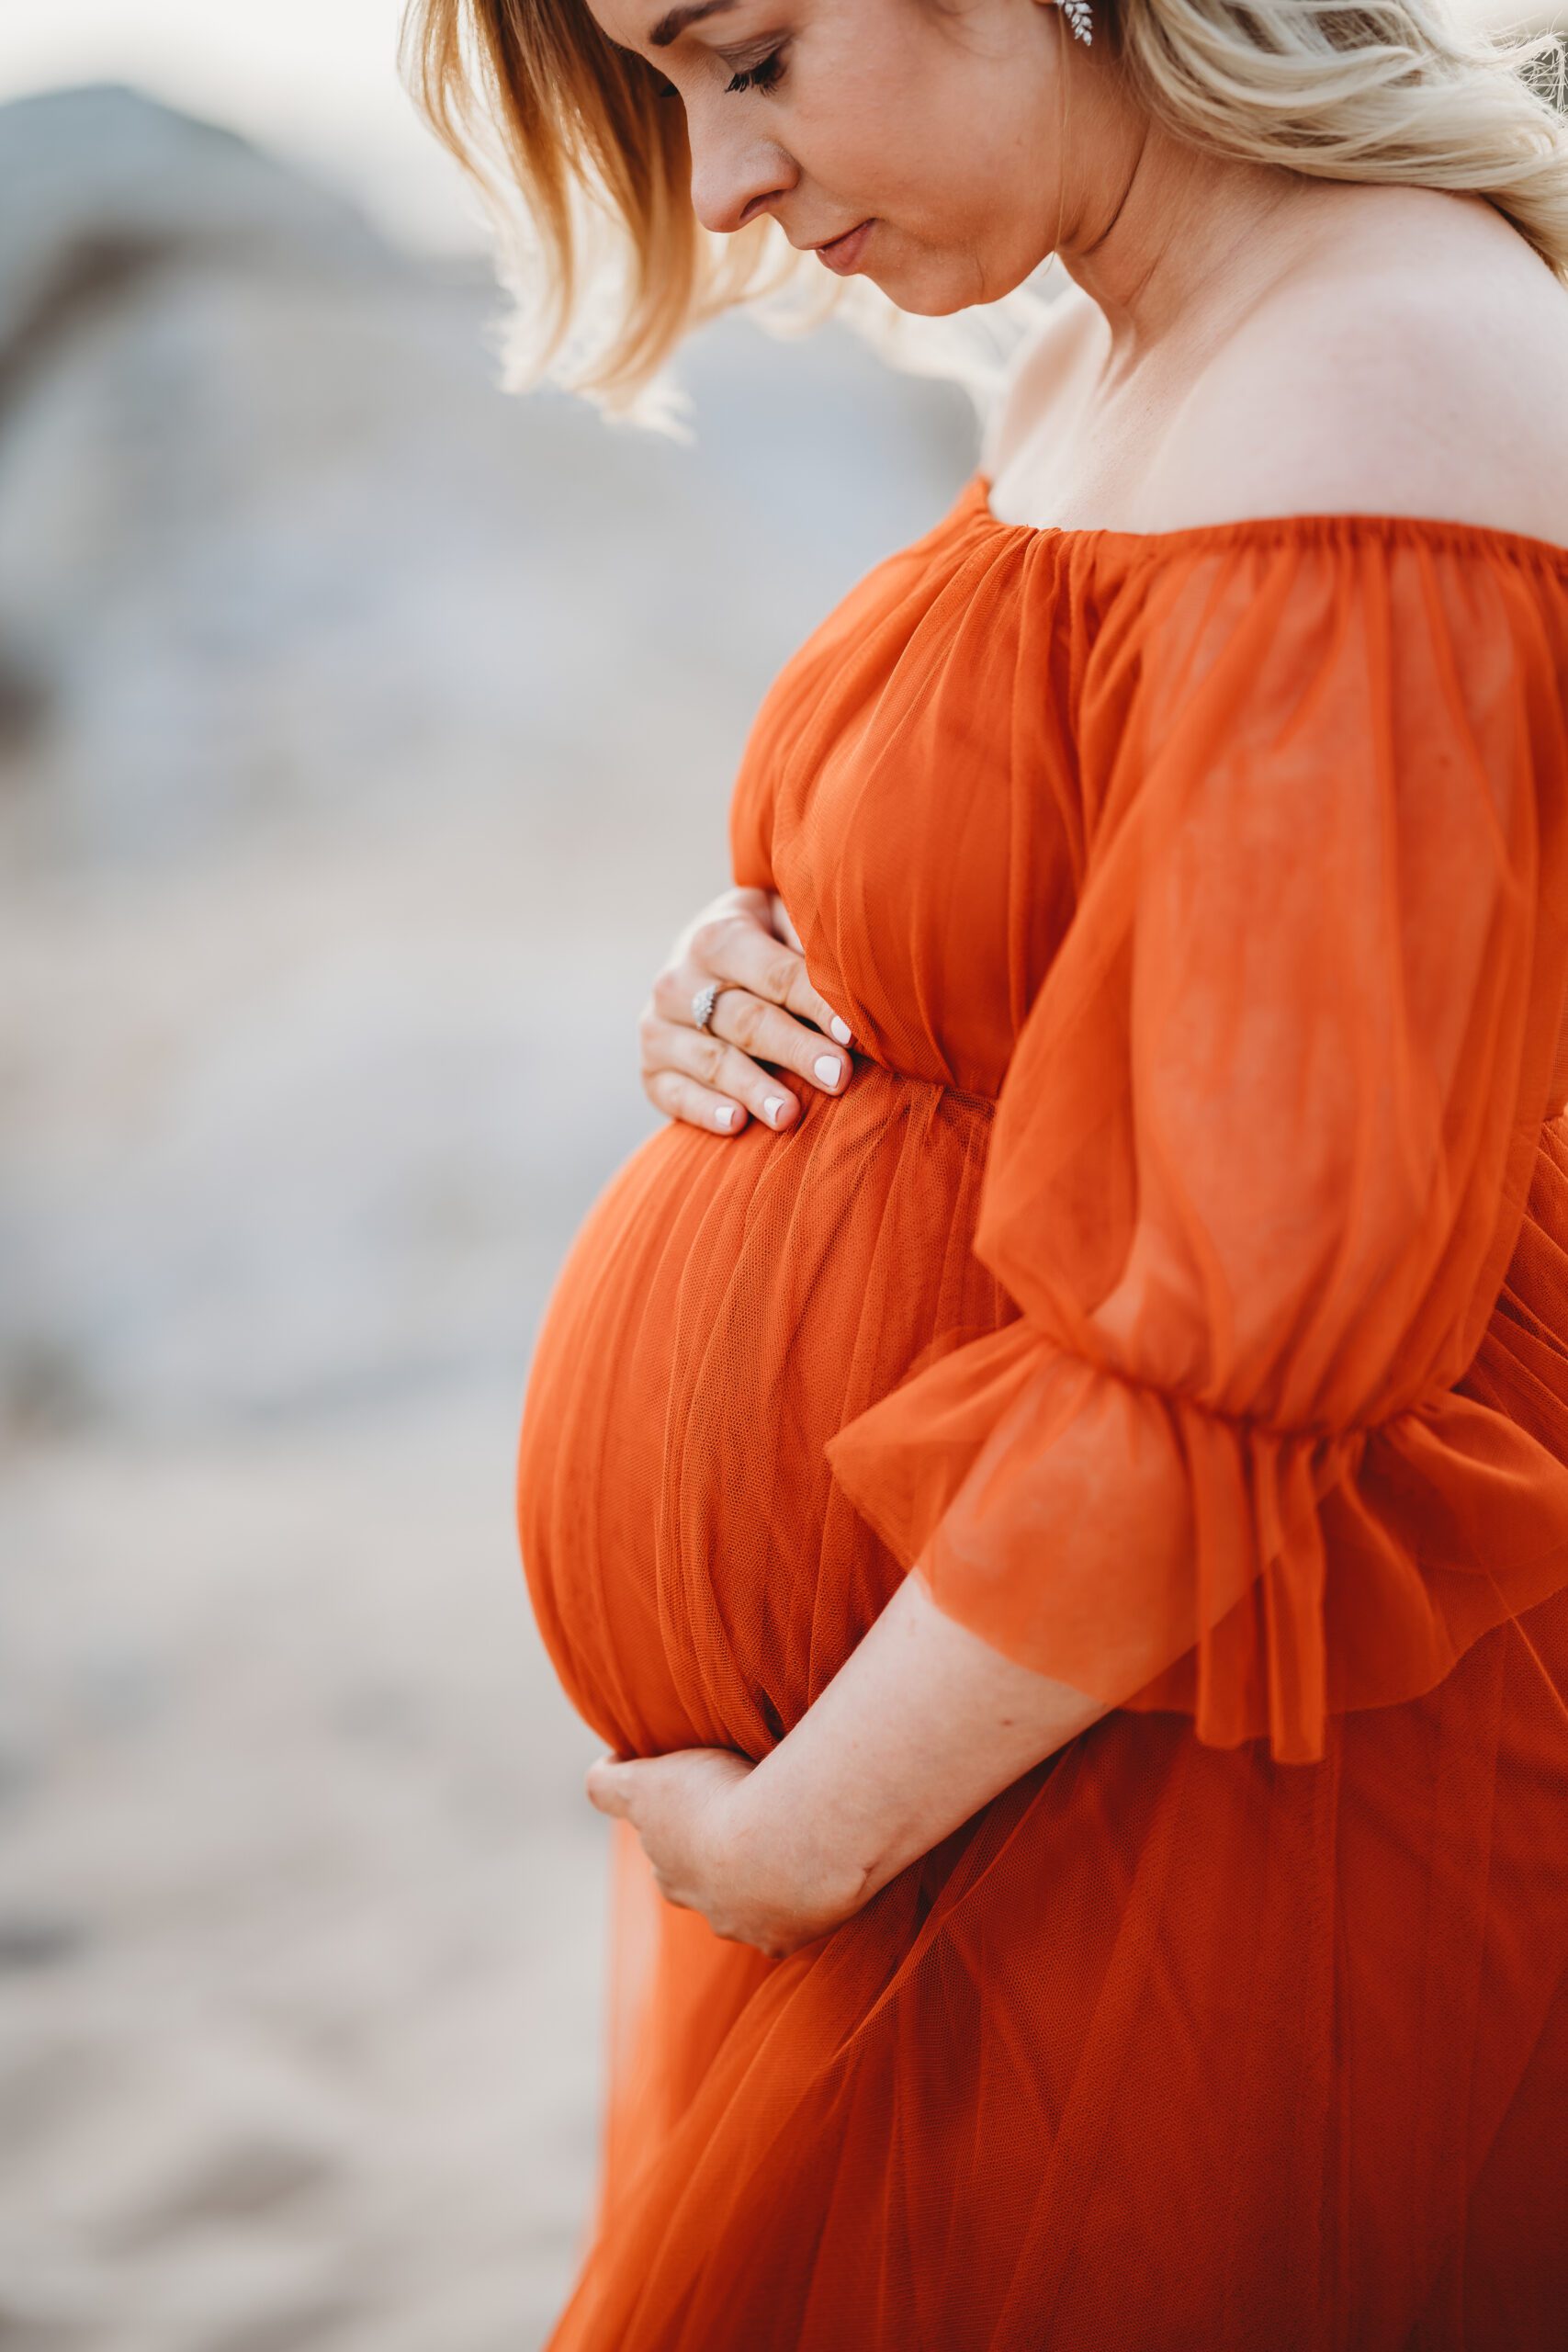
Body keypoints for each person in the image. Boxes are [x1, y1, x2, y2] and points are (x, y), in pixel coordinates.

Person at [405, 0, 1568, 2342]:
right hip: (1013, 1748)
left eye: (741, 59)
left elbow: (1260, 1328)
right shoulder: (1119, 347)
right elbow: (1075, 931)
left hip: (1209, 1782)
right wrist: (759, 962)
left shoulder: (1375, 382)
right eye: (663, 93)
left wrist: (800, 1833)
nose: (719, 186)